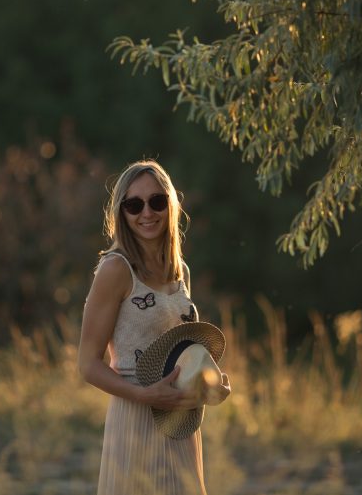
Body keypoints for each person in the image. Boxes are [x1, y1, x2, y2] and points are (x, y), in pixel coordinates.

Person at [78, 160, 231, 495]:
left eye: (157, 201)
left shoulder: (180, 271)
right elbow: (87, 365)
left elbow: (182, 350)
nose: (147, 213)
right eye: (134, 205)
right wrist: (144, 395)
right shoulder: (115, 270)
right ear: (121, 212)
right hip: (135, 415)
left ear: (170, 205)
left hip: (181, 420)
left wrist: (209, 384)